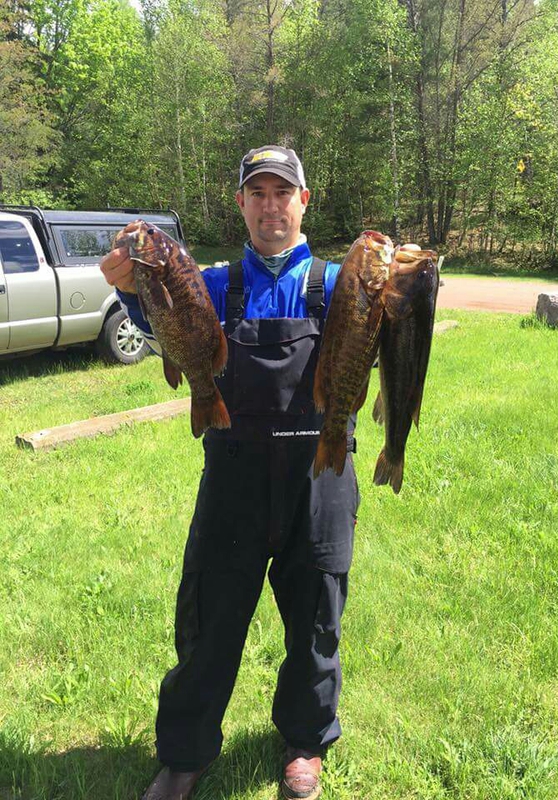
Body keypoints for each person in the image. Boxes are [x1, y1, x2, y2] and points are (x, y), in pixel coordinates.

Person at [100, 146, 360, 800]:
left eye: (283, 192)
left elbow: (382, 334)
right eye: (258, 193)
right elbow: (163, 323)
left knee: (316, 620)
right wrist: (128, 286)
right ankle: (185, 753)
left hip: (318, 480)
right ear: (241, 203)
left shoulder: (338, 284)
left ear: (304, 201)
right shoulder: (214, 284)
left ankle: (305, 740)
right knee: (209, 619)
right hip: (234, 480)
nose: (271, 206)